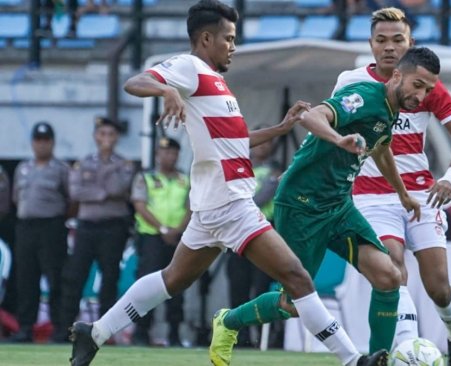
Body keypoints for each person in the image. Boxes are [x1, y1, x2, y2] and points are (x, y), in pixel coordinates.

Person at [68, 2, 386, 366]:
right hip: (230, 203)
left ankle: (93, 333)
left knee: (173, 279)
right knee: (297, 277)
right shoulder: (190, 68)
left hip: (213, 204)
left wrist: (280, 129)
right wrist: (166, 91)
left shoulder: (216, 83)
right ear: (206, 38)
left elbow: (235, 142)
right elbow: (134, 82)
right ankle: (352, 360)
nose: (233, 46)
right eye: (229, 39)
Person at [211, 46, 440, 363]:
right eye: (418, 85)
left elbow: (382, 146)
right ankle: (229, 321)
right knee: (292, 303)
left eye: (428, 89)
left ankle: (379, 358)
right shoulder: (364, 97)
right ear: (398, 75)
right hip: (302, 203)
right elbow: (312, 115)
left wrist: (402, 193)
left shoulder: (391, 109)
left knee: (388, 276)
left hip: (339, 204)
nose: (422, 95)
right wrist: (338, 139)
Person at [331, 8, 451, 366]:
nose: (389, 47)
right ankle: (408, 348)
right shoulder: (351, 80)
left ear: (410, 43)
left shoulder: (426, 84)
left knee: (439, 288)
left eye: (398, 40)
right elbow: (331, 125)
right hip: (370, 196)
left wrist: (450, 177)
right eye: (381, 40)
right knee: (392, 265)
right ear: (370, 44)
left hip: (422, 195)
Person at [60, 117, 134, 340]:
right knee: (75, 276)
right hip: (86, 227)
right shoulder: (83, 163)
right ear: (96, 136)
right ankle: (65, 329)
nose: (106, 139)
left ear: (117, 138)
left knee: (109, 278)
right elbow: (76, 192)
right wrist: (102, 193)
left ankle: (104, 331)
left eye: (111, 135)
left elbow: (119, 187)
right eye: (103, 134)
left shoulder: (124, 164)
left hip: (113, 227)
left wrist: (95, 187)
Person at [7, 122, 70, 343]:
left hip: (51, 227)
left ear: (52, 142)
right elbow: (16, 198)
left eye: (46, 140)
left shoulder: (61, 168)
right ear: (33, 142)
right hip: (26, 227)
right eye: (38, 140)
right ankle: (25, 327)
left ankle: (59, 328)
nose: (41, 145)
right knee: (26, 278)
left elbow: (71, 200)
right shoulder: (23, 168)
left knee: (55, 277)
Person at [130, 137, 190, 347]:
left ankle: (174, 332)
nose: (169, 156)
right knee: (148, 285)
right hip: (152, 238)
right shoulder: (145, 177)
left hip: (179, 238)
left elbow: (192, 206)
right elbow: (140, 205)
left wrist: (178, 229)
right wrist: (162, 228)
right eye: (164, 152)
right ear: (157, 154)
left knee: (178, 284)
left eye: (173, 152)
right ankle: (141, 331)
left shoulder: (185, 179)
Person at [226, 138, 280, 348]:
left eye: (267, 144)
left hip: (265, 230)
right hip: (239, 231)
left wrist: (243, 203)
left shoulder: (275, 170)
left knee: (261, 286)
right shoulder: (240, 166)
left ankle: (263, 338)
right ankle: (239, 334)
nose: (263, 146)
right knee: (238, 285)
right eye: (259, 143)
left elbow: (263, 197)